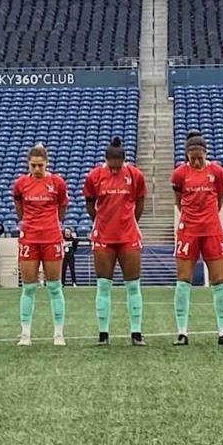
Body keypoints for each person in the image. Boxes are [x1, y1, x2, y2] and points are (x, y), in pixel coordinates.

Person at [171, 130, 223, 346]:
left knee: (219, 280)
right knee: (183, 280)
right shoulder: (179, 174)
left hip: (212, 230)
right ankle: (182, 332)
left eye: (200, 157)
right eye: (193, 158)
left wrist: (207, 218)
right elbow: (179, 201)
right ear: (187, 156)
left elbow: (219, 199)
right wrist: (192, 217)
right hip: (188, 231)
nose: (197, 162)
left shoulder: (217, 171)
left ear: (206, 153)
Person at [83, 137, 148, 346]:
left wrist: (129, 222)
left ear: (123, 160)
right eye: (111, 163)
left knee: (133, 285)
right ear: (106, 159)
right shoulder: (94, 176)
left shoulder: (135, 175)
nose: (114, 168)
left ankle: (136, 333)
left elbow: (139, 203)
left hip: (128, 236)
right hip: (103, 237)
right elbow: (90, 203)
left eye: (117, 163)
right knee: (103, 285)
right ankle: (103, 334)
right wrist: (102, 222)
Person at [13, 144, 69, 347]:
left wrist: (50, 225)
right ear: (28, 164)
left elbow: (62, 209)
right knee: (28, 287)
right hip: (29, 239)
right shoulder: (20, 184)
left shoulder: (57, 183)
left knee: (55, 286)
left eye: (40, 165)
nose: (36, 169)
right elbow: (20, 210)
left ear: (46, 163)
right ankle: (25, 333)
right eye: (33, 165)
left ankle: (58, 333)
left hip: (52, 238)